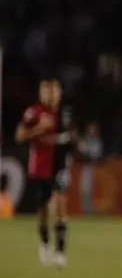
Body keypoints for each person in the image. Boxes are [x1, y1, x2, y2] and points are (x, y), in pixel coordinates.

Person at [15, 78, 75, 268]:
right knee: (42, 210)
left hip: (60, 164)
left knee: (60, 206)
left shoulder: (66, 113)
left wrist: (67, 141)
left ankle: (60, 252)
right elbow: (19, 136)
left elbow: (73, 135)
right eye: (47, 90)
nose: (51, 94)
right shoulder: (34, 113)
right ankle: (45, 244)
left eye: (54, 89)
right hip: (40, 166)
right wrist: (39, 129)